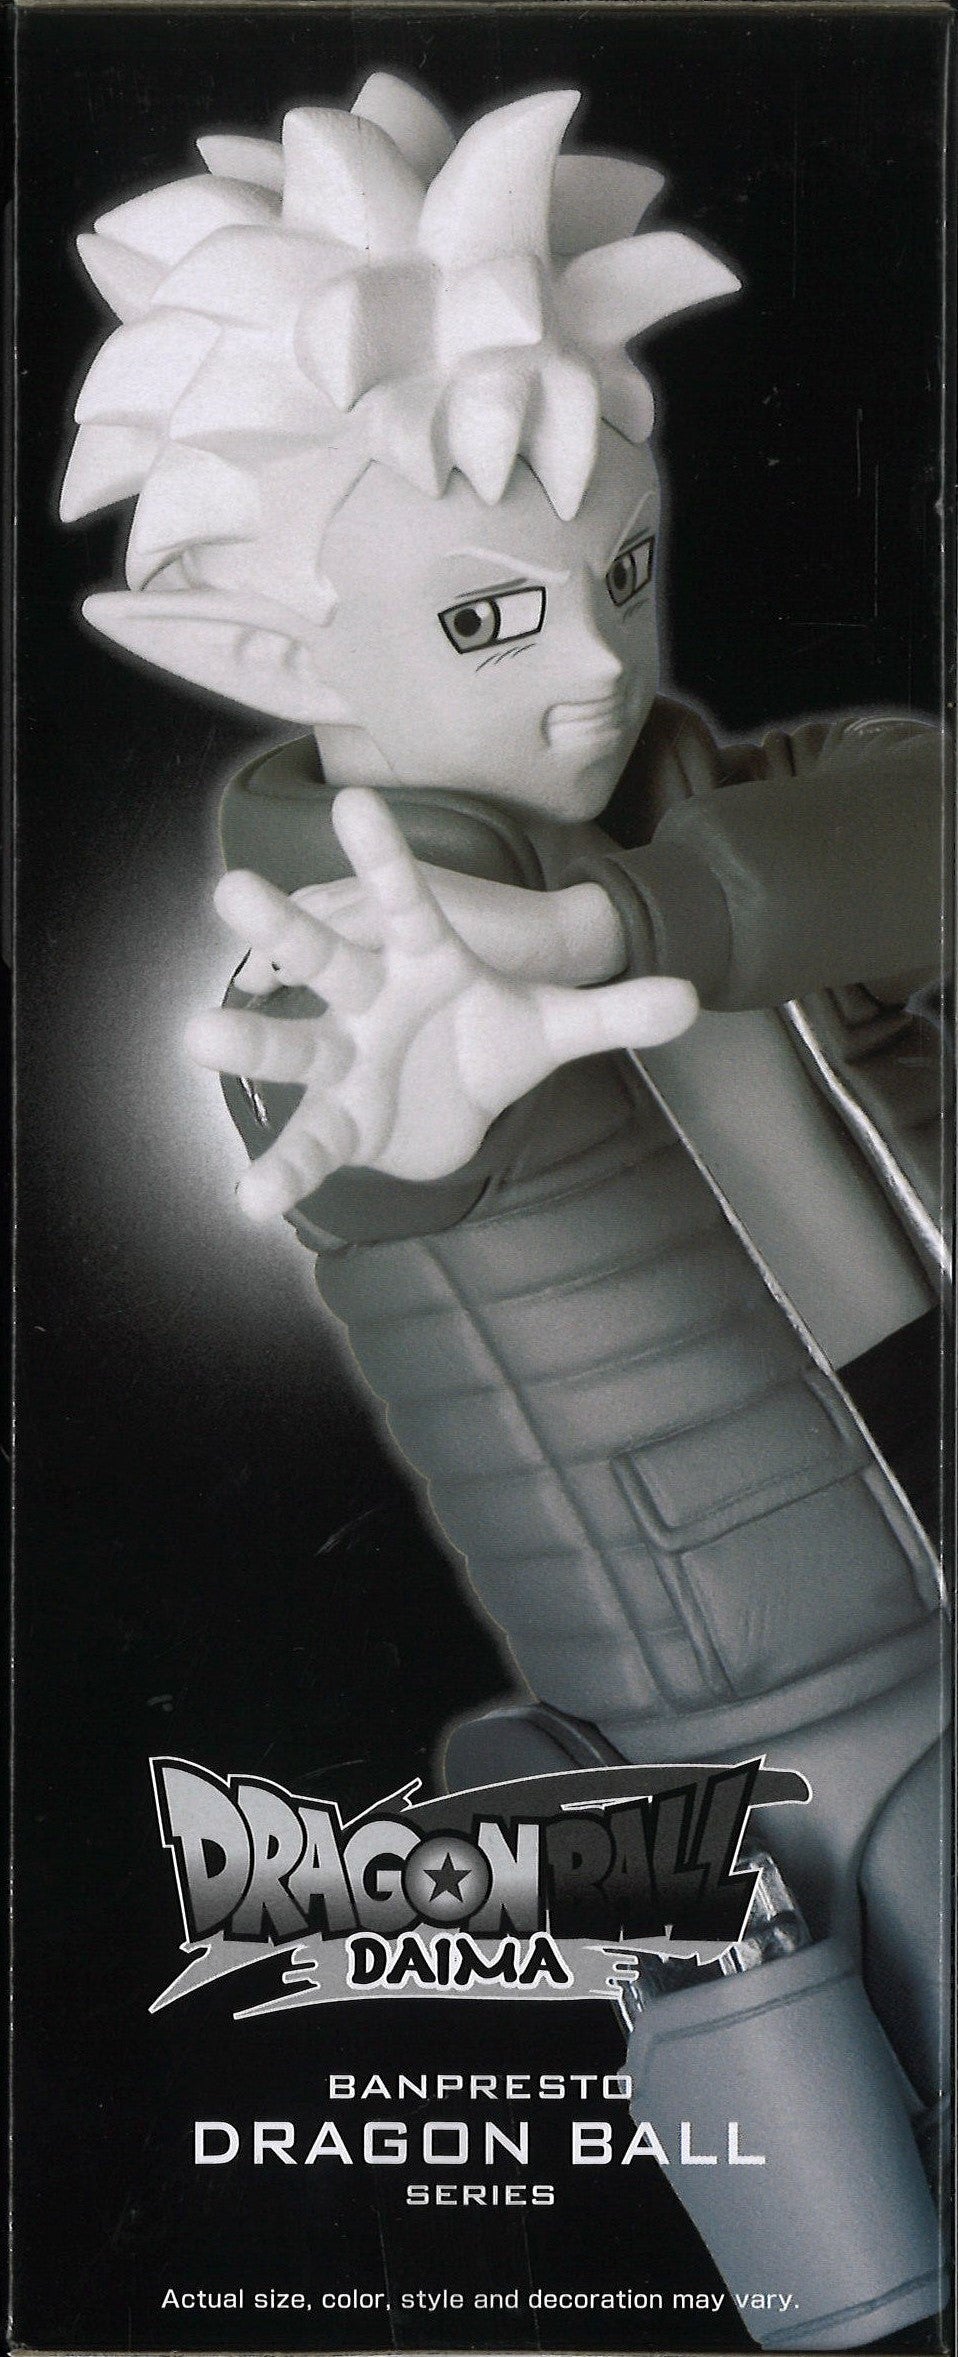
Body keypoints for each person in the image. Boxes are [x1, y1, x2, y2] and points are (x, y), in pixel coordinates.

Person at [62, 71, 949, 2348]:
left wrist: (616, 921)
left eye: (617, 572)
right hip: (740, 1729)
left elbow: (916, 819)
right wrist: (421, 1082)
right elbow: (363, 1121)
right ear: (267, 660)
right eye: (487, 620)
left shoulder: (718, 805)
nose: (590, 664)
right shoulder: (326, 977)